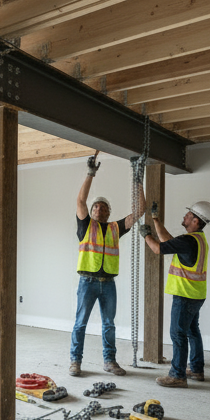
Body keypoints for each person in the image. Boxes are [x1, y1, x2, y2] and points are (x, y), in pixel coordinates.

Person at [70, 153, 144, 377]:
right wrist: (90, 174)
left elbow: (139, 211)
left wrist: (138, 179)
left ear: (109, 212)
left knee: (109, 325)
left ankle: (109, 361)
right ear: (91, 212)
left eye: (103, 208)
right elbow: (80, 201)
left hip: (108, 284)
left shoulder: (115, 228)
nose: (98, 210)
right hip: (88, 282)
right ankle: (75, 361)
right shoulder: (85, 227)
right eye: (96, 208)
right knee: (80, 323)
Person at [138, 201, 210, 387]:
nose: (185, 216)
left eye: (188, 215)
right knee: (192, 331)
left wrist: (146, 235)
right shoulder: (197, 239)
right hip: (196, 294)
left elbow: (158, 248)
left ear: (195, 221)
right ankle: (196, 369)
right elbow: (169, 241)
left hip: (185, 295)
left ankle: (178, 375)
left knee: (178, 334)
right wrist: (155, 220)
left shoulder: (189, 241)